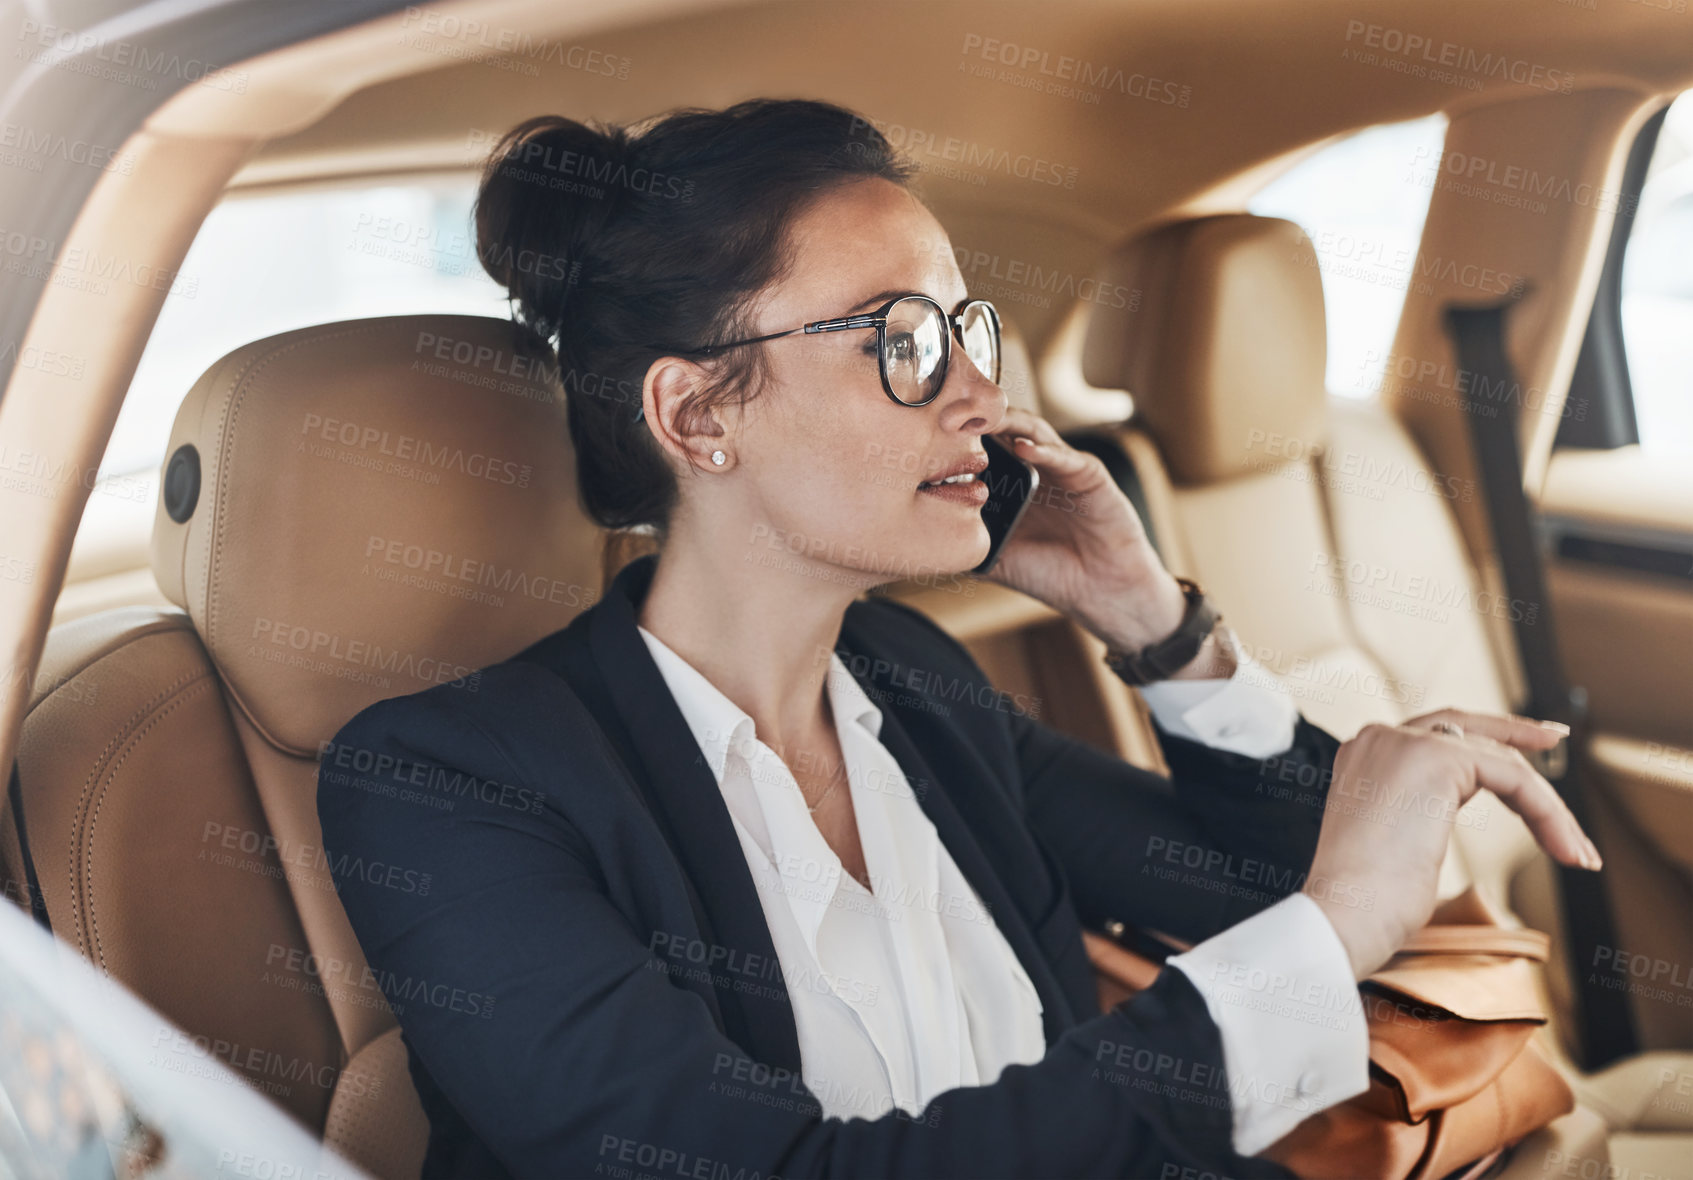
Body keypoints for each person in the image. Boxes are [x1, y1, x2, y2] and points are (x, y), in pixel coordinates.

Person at [316, 98, 1600, 1180]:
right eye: (903, 343)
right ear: (700, 412)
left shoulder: (911, 684)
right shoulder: (444, 786)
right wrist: (1334, 922)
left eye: (963, 330)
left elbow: (1273, 885)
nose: (986, 399)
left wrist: (1149, 622)